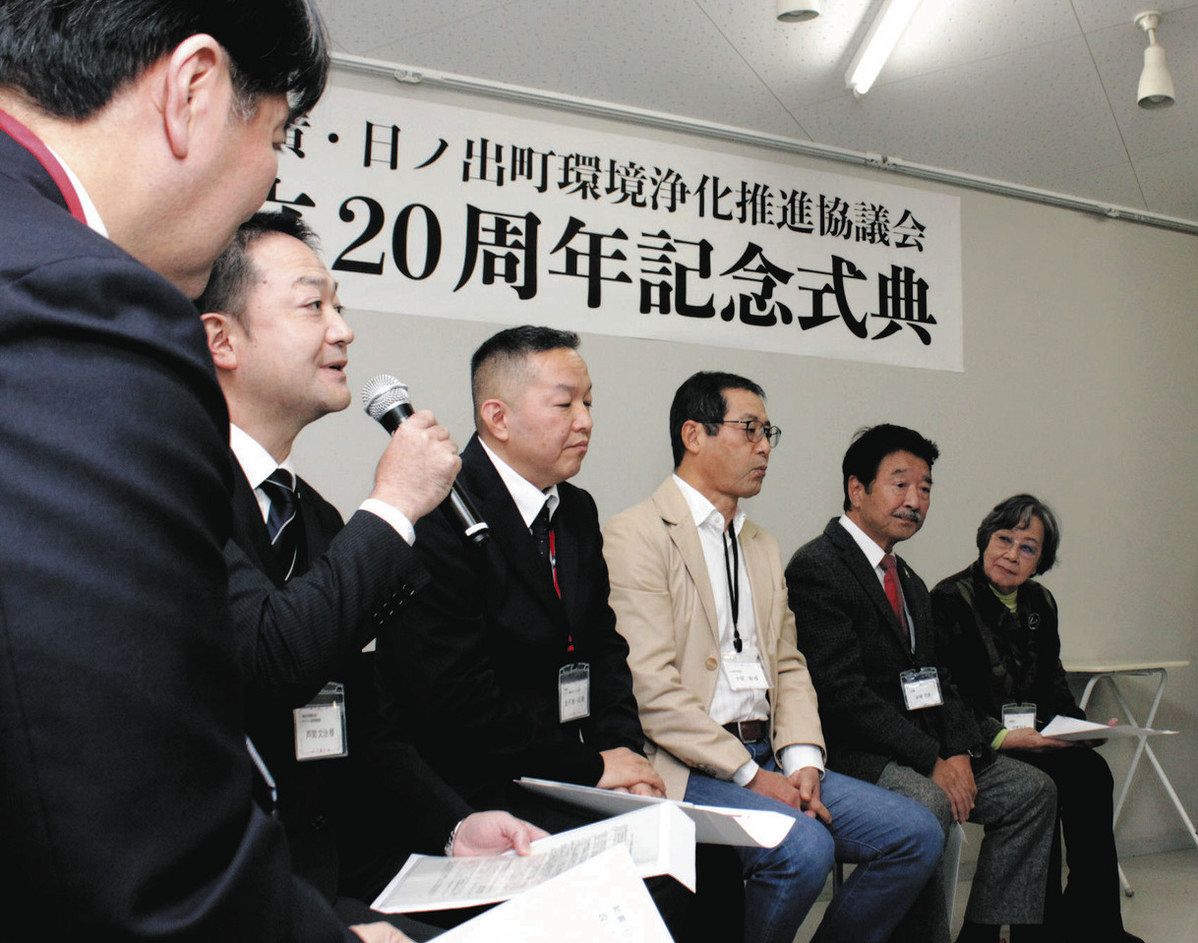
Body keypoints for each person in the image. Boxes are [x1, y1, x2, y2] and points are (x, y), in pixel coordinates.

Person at [0, 2, 364, 938]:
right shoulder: (78, 306)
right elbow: (140, 857)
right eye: (279, 135)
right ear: (195, 87)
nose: (273, 175)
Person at [198, 212, 546, 940]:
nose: (343, 330)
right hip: (234, 892)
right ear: (221, 339)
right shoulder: (184, 490)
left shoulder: (319, 519)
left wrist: (456, 824)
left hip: (334, 872)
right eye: (312, 304)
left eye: (341, 306)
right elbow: (270, 658)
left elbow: (367, 726)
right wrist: (393, 504)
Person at [373, 326, 738, 939]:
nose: (586, 420)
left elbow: (604, 648)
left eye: (589, 402)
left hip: (570, 770)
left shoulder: (577, 510)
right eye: (565, 403)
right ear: (498, 417)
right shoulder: (439, 512)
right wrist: (592, 767)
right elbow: (455, 702)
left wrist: (626, 757)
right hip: (479, 782)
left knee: (710, 860)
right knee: (663, 882)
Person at [603, 372, 943, 943]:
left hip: (772, 752)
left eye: (769, 432)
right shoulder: (636, 534)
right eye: (750, 429)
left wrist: (804, 758)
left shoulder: (762, 544)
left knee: (916, 832)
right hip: (690, 762)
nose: (764, 446)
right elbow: (651, 688)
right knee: (805, 850)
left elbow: (789, 665)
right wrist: (749, 774)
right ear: (694, 434)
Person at [784, 424, 1058, 943]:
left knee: (1032, 792)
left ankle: (978, 934)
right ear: (856, 489)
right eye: (901, 483)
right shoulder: (818, 567)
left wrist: (957, 749)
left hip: (923, 745)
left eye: (926, 488)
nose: (915, 500)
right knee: (927, 803)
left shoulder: (907, 578)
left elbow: (938, 682)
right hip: (856, 752)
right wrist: (933, 759)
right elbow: (843, 695)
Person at [931, 494, 1143, 943]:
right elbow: (946, 698)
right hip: (980, 743)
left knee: (1091, 772)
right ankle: (1039, 929)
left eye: (1027, 547)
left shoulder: (1040, 602)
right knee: (1039, 787)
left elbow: (1053, 685)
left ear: (1040, 560)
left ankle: (1093, 924)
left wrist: (1080, 727)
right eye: (1004, 538)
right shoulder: (950, 599)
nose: (1011, 554)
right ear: (986, 538)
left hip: (1036, 736)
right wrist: (1004, 737)